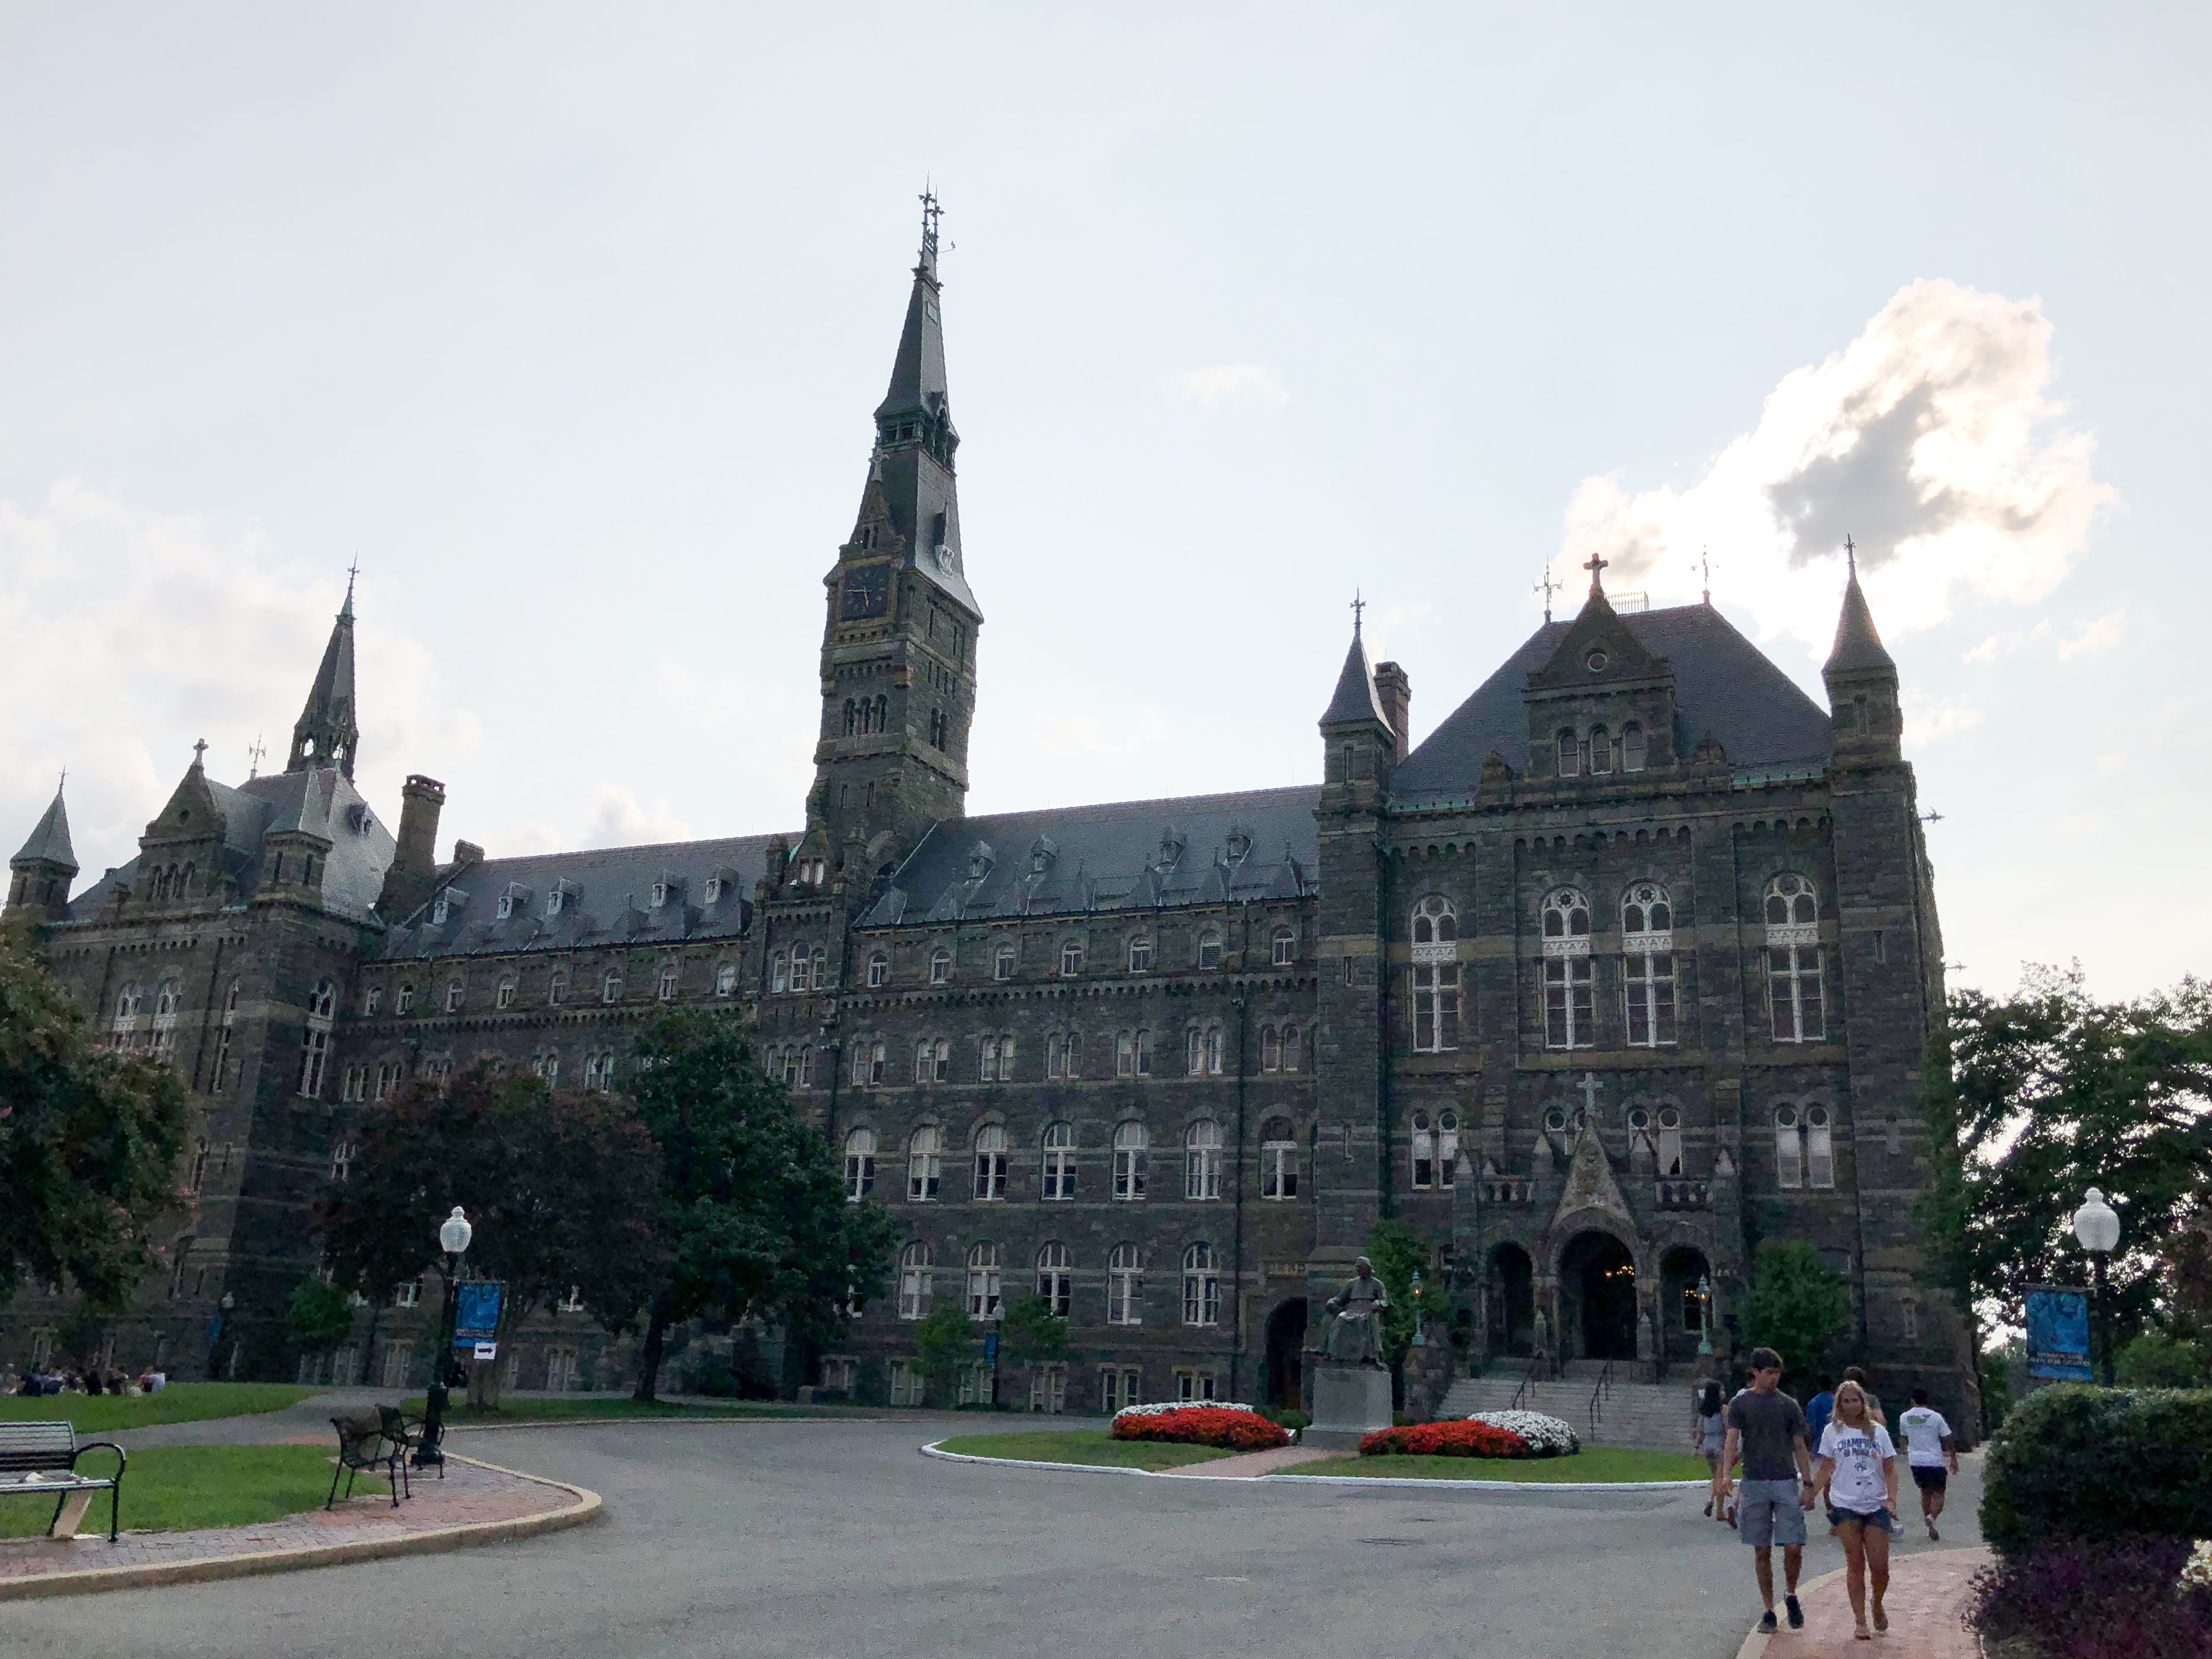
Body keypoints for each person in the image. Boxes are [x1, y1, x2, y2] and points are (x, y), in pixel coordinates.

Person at [1718, 1347, 1818, 1634]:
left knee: (1793, 1545)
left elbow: (1800, 1445)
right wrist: (1726, 1474)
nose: (1774, 1378)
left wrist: (1808, 1483)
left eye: (1777, 1373)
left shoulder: (1788, 1405)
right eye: (1769, 1373)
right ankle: (1768, 1608)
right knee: (1761, 1549)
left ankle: (1791, 1592)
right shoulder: (1742, 1404)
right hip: (1755, 1482)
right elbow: (1732, 1439)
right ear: (1756, 1373)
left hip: (1785, 1480)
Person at [1814, 1379, 1899, 1641]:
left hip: (1875, 1504)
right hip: (1845, 1504)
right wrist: (1811, 1493)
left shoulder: (1877, 1432)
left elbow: (1890, 1469)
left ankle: (1877, 1604)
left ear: (1864, 1403)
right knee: (1855, 1563)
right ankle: (1860, 1620)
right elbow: (1827, 1467)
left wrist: (1892, 1500)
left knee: (1880, 1566)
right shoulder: (1832, 1432)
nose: (1851, 1405)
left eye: (1856, 1400)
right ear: (1839, 1404)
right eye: (1846, 1401)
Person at [1897, 1386, 1959, 1540]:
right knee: (1939, 1494)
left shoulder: (1905, 1417)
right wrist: (1953, 1457)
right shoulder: (1935, 1417)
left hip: (1916, 1461)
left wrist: (1906, 1449)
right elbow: (1948, 1437)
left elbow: (1903, 1437)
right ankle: (1933, 1517)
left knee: (1925, 1493)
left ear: (1913, 1400)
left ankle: (1930, 1527)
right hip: (1935, 1460)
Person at [1693, 1380, 1730, 1522]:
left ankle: (1711, 1500)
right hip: (1719, 1444)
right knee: (1721, 1478)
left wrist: (1697, 1447)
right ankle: (1719, 1510)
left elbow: (1701, 1431)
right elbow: (1727, 1427)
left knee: (1716, 1476)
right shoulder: (1722, 1409)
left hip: (1708, 1446)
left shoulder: (1704, 1410)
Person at [1805, 1375, 1837, 1449]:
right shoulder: (1838, 1402)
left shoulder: (1813, 1403)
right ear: (1832, 1386)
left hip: (1818, 1445)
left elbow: (1810, 1426)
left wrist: (1810, 1446)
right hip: (1836, 1444)